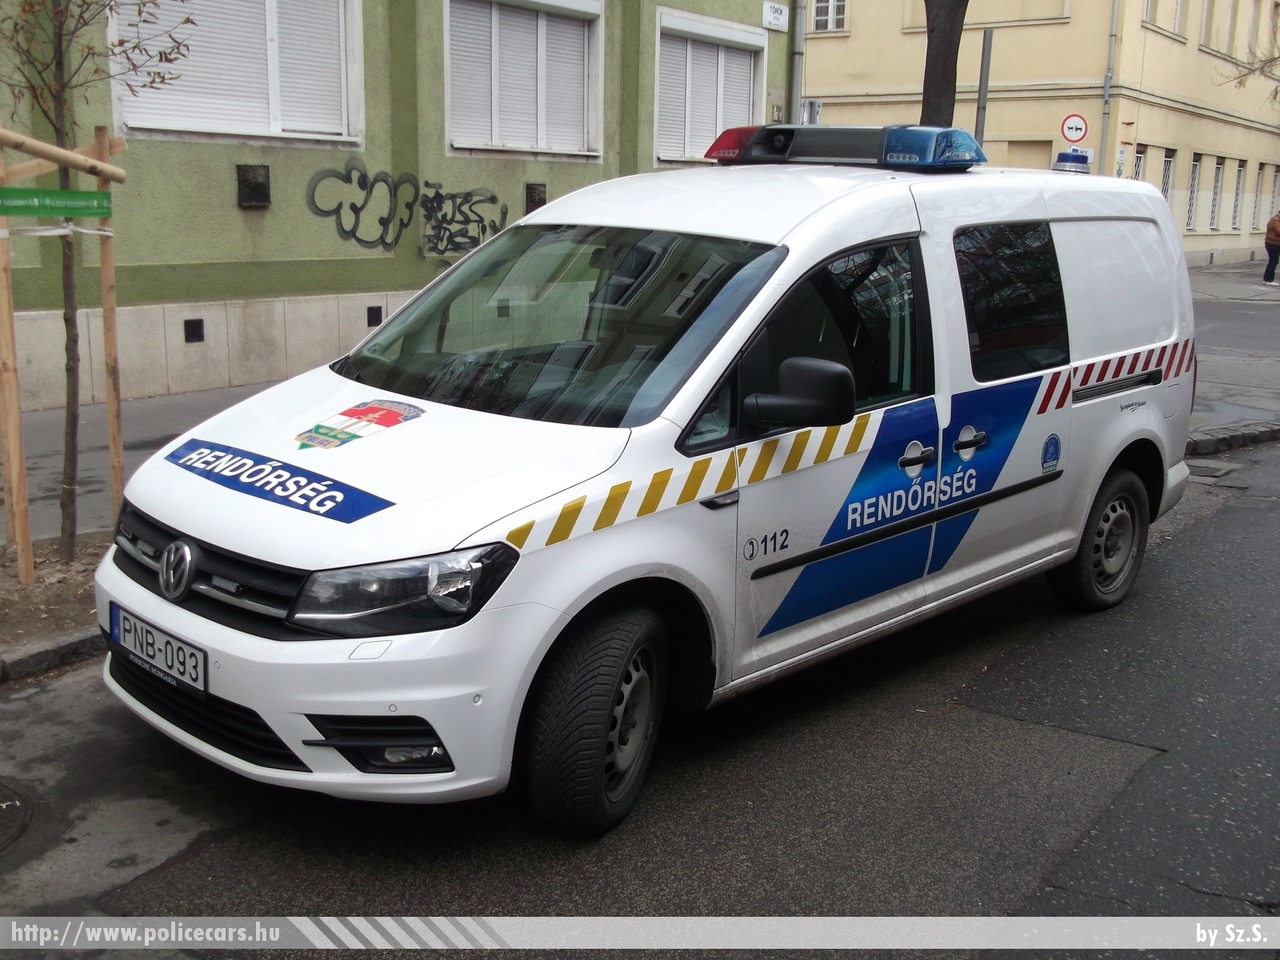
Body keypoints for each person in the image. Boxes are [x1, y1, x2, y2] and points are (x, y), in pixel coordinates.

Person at [1264, 209, 1280, 285]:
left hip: (1273, 243)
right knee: (1273, 261)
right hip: (1273, 244)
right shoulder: (1276, 220)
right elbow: (1278, 231)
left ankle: (1266, 279)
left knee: (1273, 261)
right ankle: (1268, 280)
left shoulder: (1276, 219)